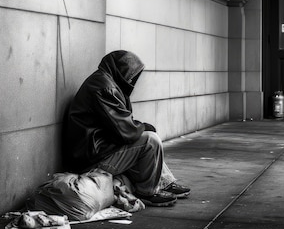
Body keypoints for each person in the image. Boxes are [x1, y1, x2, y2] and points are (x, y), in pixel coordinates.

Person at [64, 50, 190, 207]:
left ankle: (163, 182)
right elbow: (126, 133)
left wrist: (141, 128)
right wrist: (143, 127)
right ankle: (147, 192)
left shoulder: (106, 82)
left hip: (98, 151)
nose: (131, 79)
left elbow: (119, 125)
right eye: (130, 74)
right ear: (120, 70)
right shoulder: (104, 87)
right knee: (150, 140)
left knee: (146, 136)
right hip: (92, 161)